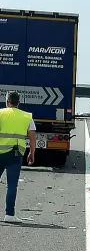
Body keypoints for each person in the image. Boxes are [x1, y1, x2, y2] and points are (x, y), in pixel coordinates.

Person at [0, 91, 36, 223]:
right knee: (12, 185)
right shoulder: (27, 116)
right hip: (15, 155)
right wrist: (32, 153)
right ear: (18, 102)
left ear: (7, 101)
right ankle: (9, 214)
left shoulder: (1, 113)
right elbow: (32, 137)